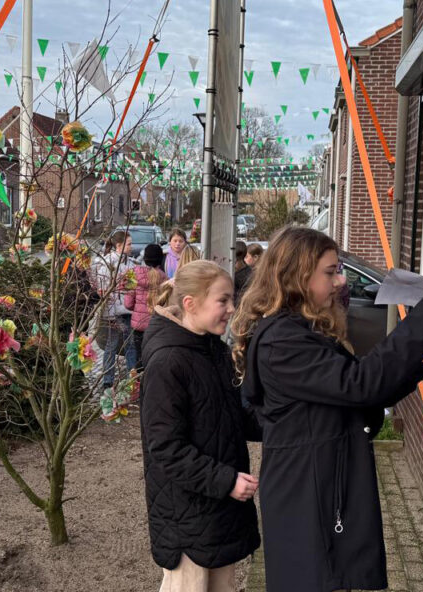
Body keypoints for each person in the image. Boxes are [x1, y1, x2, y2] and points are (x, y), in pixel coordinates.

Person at [231, 226, 423, 591]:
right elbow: (361, 384)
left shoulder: (298, 330)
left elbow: (358, 392)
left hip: (319, 491)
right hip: (309, 500)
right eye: (331, 271)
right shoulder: (284, 342)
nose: (340, 280)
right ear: (298, 276)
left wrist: (422, 365)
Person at [141, 261, 260, 592]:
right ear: (190, 303)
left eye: (231, 299)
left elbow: (236, 417)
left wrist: (288, 421)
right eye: (223, 300)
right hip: (188, 522)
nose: (232, 309)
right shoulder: (168, 362)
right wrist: (227, 481)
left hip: (219, 514)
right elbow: (166, 448)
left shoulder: (213, 351)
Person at [92, 231, 137, 388]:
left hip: (127, 310)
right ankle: (107, 380)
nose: (132, 246)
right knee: (111, 346)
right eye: (129, 244)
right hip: (112, 312)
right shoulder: (108, 262)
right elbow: (103, 287)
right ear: (119, 246)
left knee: (130, 345)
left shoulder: (130, 262)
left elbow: (134, 285)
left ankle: (133, 377)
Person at [124, 243, 167, 372]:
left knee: (139, 359)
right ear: (160, 259)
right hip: (156, 325)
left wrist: (138, 308)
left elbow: (127, 303)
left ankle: (139, 387)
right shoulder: (165, 279)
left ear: (145, 258)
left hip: (138, 326)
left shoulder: (134, 275)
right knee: (153, 358)